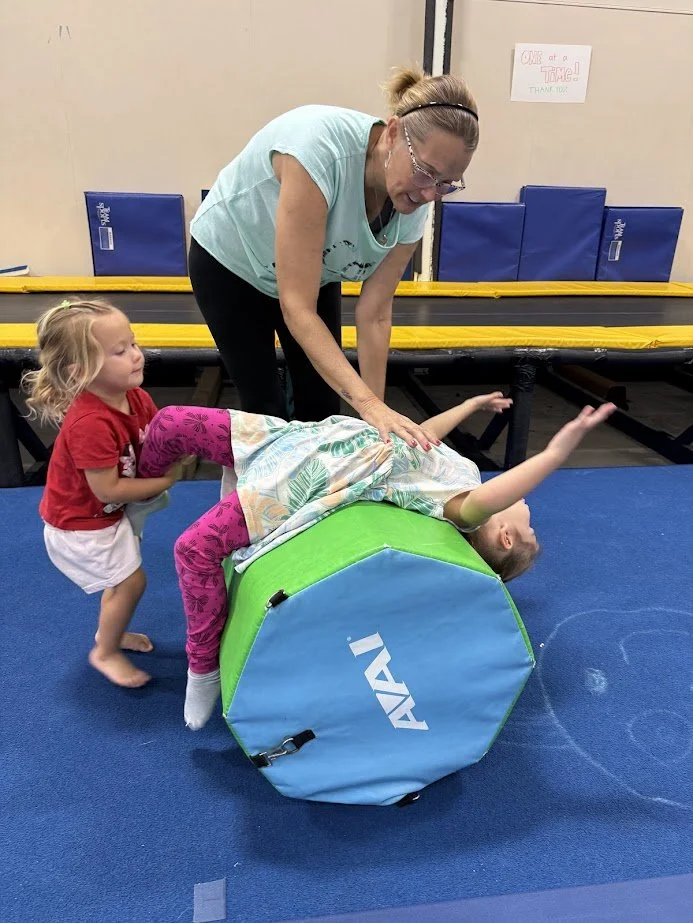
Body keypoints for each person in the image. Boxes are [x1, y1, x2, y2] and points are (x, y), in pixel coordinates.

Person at [135, 396, 616, 730]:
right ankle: (138, 495)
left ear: (504, 534)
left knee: (193, 549)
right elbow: (421, 437)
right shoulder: (464, 470)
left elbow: (499, 492)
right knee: (172, 422)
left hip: (314, 473)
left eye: (528, 523)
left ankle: (203, 667)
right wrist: (469, 408)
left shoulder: (460, 507)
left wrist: (553, 454)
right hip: (310, 439)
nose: (532, 513)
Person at [189, 65, 479, 449]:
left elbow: (375, 312)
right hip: (230, 261)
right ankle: (260, 500)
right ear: (392, 133)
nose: (430, 194)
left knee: (322, 404)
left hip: (313, 273)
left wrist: (375, 417)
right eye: (426, 172)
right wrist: (367, 402)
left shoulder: (417, 199)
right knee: (264, 409)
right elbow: (297, 308)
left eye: (447, 184)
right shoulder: (318, 153)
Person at [23, 300, 183, 689]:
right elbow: (107, 487)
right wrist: (164, 482)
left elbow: (154, 438)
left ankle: (109, 633)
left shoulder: (136, 397)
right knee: (130, 582)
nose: (135, 355)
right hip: (80, 523)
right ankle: (105, 651)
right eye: (119, 351)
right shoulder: (90, 422)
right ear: (81, 371)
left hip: (109, 512)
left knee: (120, 581)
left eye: (133, 343)